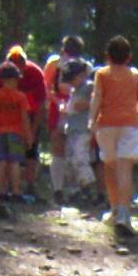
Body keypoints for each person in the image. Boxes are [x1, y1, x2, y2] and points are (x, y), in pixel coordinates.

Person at [89, 35, 138, 235]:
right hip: (129, 125)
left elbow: (97, 96)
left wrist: (91, 119)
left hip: (106, 125)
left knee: (109, 166)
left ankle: (114, 209)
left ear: (108, 56)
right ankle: (124, 213)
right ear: (129, 56)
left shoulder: (102, 74)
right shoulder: (135, 74)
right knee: (125, 168)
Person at [0, 46, 48, 200]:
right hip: (8, 122)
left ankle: (29, 185)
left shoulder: (35, 73)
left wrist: (32, 132)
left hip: (30, 115)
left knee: (31, 150)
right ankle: (8, 188)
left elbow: (41, 105)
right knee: (10, 157)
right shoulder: (0, 74)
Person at [45, 36, 87, 203]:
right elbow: (47, 87)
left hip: (74, 109)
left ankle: (71, 189)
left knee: (71, 148)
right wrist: (57, 102)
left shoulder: (83, 66)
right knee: (60, 148)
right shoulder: (55, 64)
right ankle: (59, 189)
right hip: (60, 108)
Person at [0, 62, 33, 208]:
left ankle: (2, 192)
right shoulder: (21, 97)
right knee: (15, 162)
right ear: (14, 80)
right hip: (16, 134)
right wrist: (28, 136)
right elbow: (25, 118)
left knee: (1, 162)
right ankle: (16, 192)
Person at [56, 59, 98, 202]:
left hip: (83, 129)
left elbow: (95, 102)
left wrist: (82, 105)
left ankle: (87, 188)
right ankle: (75, 190)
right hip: (72, 129)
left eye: (72, 79)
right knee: (69, 160)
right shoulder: (74, 91)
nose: (70, 83)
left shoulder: (89, 87)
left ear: (81, 75)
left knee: (80, 157)